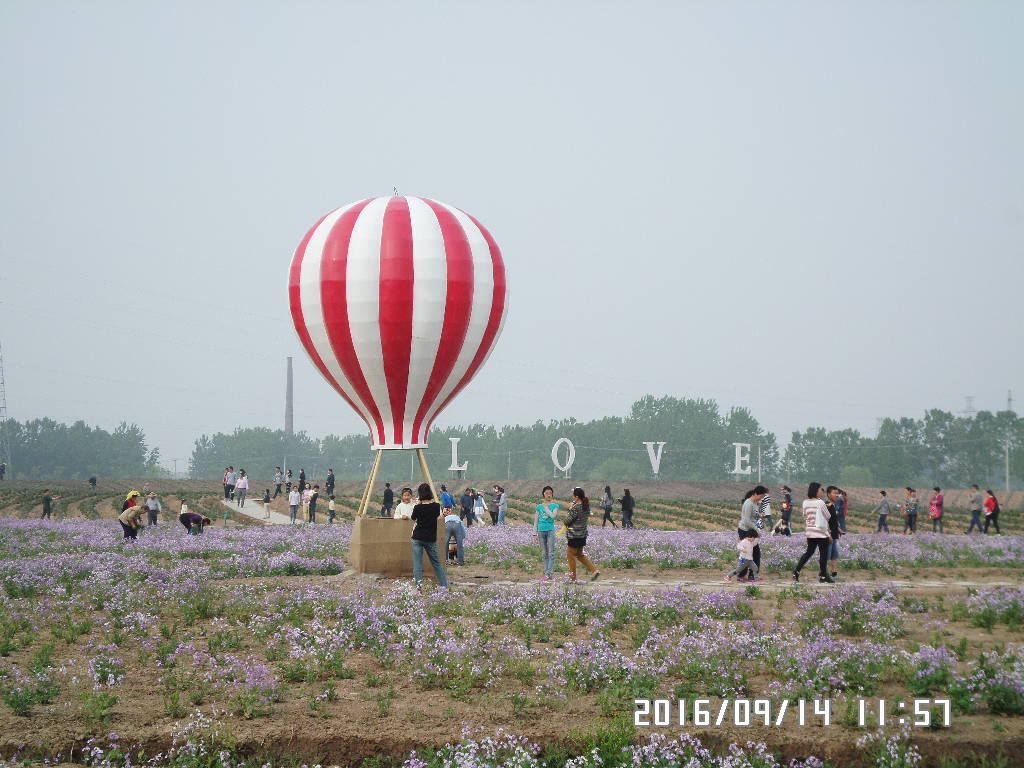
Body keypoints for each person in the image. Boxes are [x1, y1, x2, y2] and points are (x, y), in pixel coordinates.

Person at [793, 482, 834, 583]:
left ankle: (796, 571)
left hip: (810, 532)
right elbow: (828, 516)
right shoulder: (820, 503)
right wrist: (828, 535)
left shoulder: (805, 502)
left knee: (809, 552)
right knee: (823, 555)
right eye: (821, 490)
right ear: (816, 491)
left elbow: (805, 515)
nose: (822, 492)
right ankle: (824, 576)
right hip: (821, 532)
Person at [411, 482, 448, 589]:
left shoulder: (417, 508)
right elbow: (440, 516)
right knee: (436, 563)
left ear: (420, 494)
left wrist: (417, 504)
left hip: (417, 537)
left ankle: (419, 588)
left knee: (418, 564)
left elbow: (413, 518)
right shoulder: (436, 507)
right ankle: (444, 586)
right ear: (430, 493)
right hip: (430, 539)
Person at [564, 487, 600, 582]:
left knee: (570, 555)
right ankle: (594, 570)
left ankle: (573, 578)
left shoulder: (576, 508)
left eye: (574, 496)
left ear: (576, 497)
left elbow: (567, 521)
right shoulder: (586, 507)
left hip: (574, 535)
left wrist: (570, 508)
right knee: (580, 555)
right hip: (582, 535)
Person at [739, 485, 767, 575]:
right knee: (748, 553)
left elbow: (753, 516)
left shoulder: (754, 503)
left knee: (754, 553)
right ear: (755, 494)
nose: (761, 498)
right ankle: (744, 575)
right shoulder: (748, 503)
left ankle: (752, 575)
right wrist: (757, 530)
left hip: (751, 531)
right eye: (761, 496)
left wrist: (760, 516)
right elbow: (747, 520)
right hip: (745, 531)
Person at [534, 485, 559, 581]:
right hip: (541, 531)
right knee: (544, 553)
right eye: (546, 493)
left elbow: (553, 516)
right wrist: (534, 533)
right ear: (543, 494)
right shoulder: (539, 507)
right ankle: (546, 573)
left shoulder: (555, 505)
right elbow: (536, 520)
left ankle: (549, 573)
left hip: (550, 531)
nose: (549, 495)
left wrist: (546, 508)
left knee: (551, 553)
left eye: (550, 493)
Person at [825, 485, 843, 580]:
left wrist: (839, 529)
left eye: (837, 493)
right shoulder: (827, 505)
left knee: (834, 555)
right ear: (828, 494)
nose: (837, 495)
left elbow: (833, 520)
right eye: (834, 493)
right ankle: (823, 574)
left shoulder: (834, 506)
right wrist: (828, 533)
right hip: (828, 535)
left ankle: (834, 574)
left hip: (834, 535)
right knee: (826, 555)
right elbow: (824, 520)